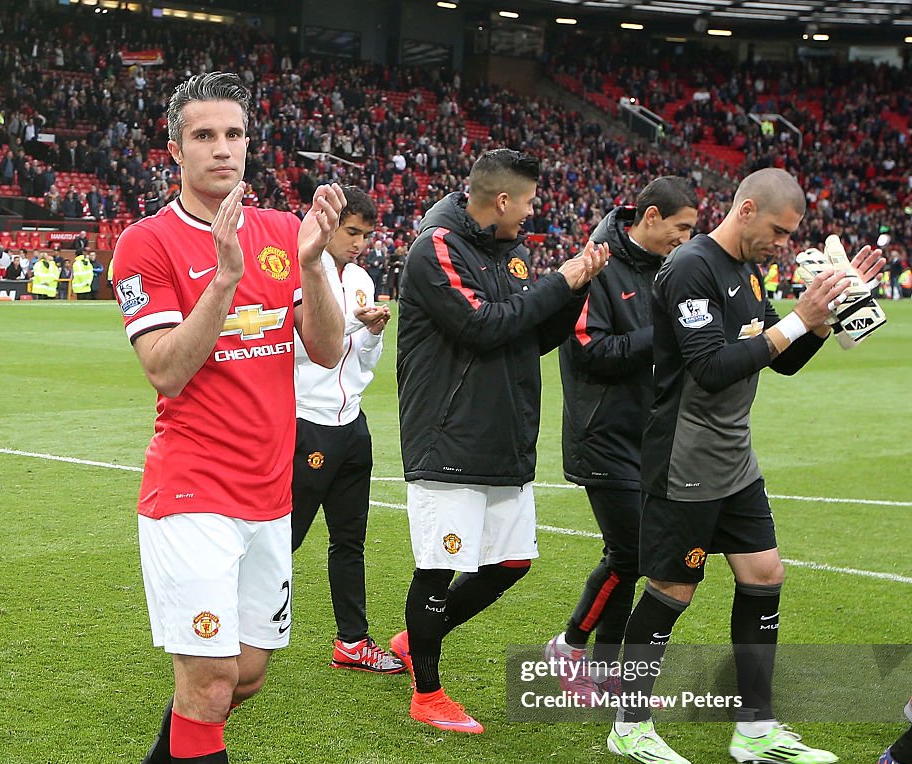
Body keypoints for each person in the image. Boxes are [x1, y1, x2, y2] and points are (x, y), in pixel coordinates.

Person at [96, 72, 345, 764]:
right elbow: (165, 369)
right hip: (189, 495)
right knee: (204, 688)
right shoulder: (144, 244)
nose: (223, 150)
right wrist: (226, 280)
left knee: (242, 681)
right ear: (175, 148)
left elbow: (323, 348)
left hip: (265, 501)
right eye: (204, 136)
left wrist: (312, 263)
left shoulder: (284, 232)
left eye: (234, 134)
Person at [606, 167, 885, 764]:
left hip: (734, 455)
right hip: (686, 457)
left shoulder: (747, 270)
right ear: (749, 209)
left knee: (765, 574)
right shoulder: (691, 267)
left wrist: (828, 315)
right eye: (779, 232)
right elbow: (709, 367)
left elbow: (778, 362)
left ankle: (754, 727)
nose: (783, 245)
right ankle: (629, 723)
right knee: (672, 588)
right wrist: (797, 319)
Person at [391, 148, 609, 734]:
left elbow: (527, 334)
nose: (532, 216)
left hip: (504, 431)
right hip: (450, 433)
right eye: (530, 203)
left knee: (512, 561)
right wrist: (558, 282)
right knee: (439, 566)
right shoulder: (435, 247)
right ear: (503, 199)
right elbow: (482, 326)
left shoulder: (507, 253)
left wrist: (576, 290)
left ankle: (416, 639)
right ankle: (427, 692)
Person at [547, 177, 698, 692]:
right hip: (603, 433)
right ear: (650, 217)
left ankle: (606, 666)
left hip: (650, 435)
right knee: (629, 554)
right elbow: (590, 350)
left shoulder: (671, 270)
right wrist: (663, 335)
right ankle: (568, 648)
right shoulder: (596, 264)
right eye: (681, 228)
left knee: (633, 557)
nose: (686, 238)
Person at [291, 186, 404, 675]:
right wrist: (356, 329)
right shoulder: (297, 273)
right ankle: (235, 627)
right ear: (327, 224)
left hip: (352, 423)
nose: (359, 242)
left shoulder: (360, 277)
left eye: (366, 234)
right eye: (351, 231)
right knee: (283, 539)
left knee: (350, 539)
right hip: (304, 422)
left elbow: (361, 360)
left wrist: (373, 333)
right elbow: (301, 350)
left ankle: (352, 641)